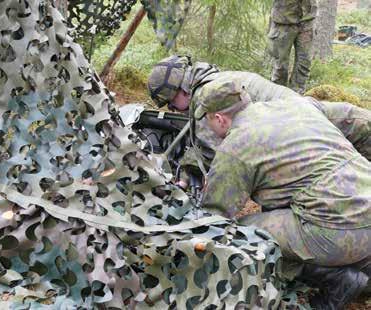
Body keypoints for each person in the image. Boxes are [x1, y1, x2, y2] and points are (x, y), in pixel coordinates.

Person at [193, 78, 371, 309]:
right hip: (364, 202)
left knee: (242, 232)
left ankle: (337, 279)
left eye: (207, 121)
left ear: (218, 118)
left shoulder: (237, 144)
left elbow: (215, 218)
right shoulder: (296, 105)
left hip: (339, 229)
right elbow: (354, 117)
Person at [147, 55, 299, 149]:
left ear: (183, 90)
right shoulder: (214, 78)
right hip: (304, 113)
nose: (172, 109)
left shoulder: (206, 100)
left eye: (170, 102)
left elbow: (220, 159)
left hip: (293, 133)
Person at [268, 0, 317, 94]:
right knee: (280, 66)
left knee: (304, 63)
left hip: (307, 19)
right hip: (283, 20)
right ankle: (277, 98)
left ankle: (296, 97)